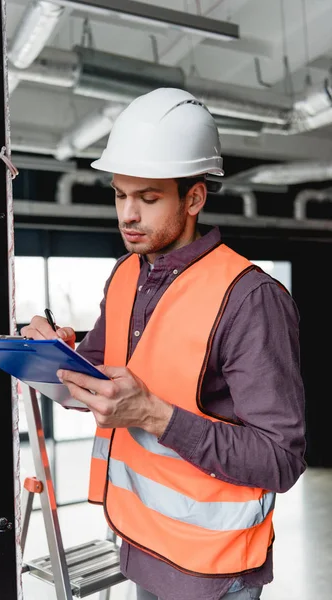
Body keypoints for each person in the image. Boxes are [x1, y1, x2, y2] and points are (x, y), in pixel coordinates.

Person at [22, 88, 306, 600]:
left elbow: (280, 460)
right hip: (139, 543)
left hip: (210, 566)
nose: (127, 215)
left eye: (148, 198)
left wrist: (154, 414)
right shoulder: (128, 272)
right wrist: (49, 355)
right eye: (119, 194)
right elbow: (97, 373)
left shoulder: (251, 299)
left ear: (194, 198)